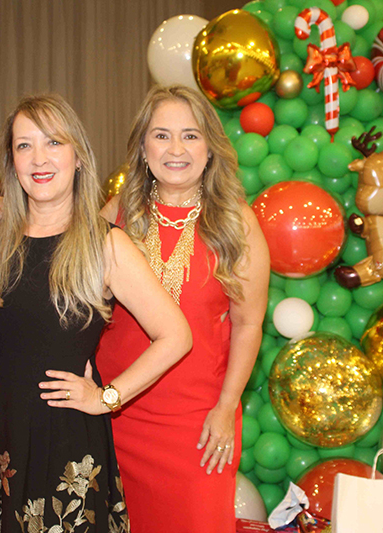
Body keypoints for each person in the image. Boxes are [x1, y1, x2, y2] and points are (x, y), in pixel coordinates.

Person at [0, 94, 191, 533]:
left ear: (78, 156)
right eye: (24, 145)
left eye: (53, 142)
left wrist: (107, 398)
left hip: (64, 443)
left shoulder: (105, 244)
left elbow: (176, 335)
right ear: (11, 161)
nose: (39, 158)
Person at [97, 85, 270, 533]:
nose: (176, 149)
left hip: (198, 422)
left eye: (191, 135)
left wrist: (226, 408)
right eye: (162, 135)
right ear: (142, 148)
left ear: (210, 148)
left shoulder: (236, 223)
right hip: (117, 412)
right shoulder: (117, 212)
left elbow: (248, 324)